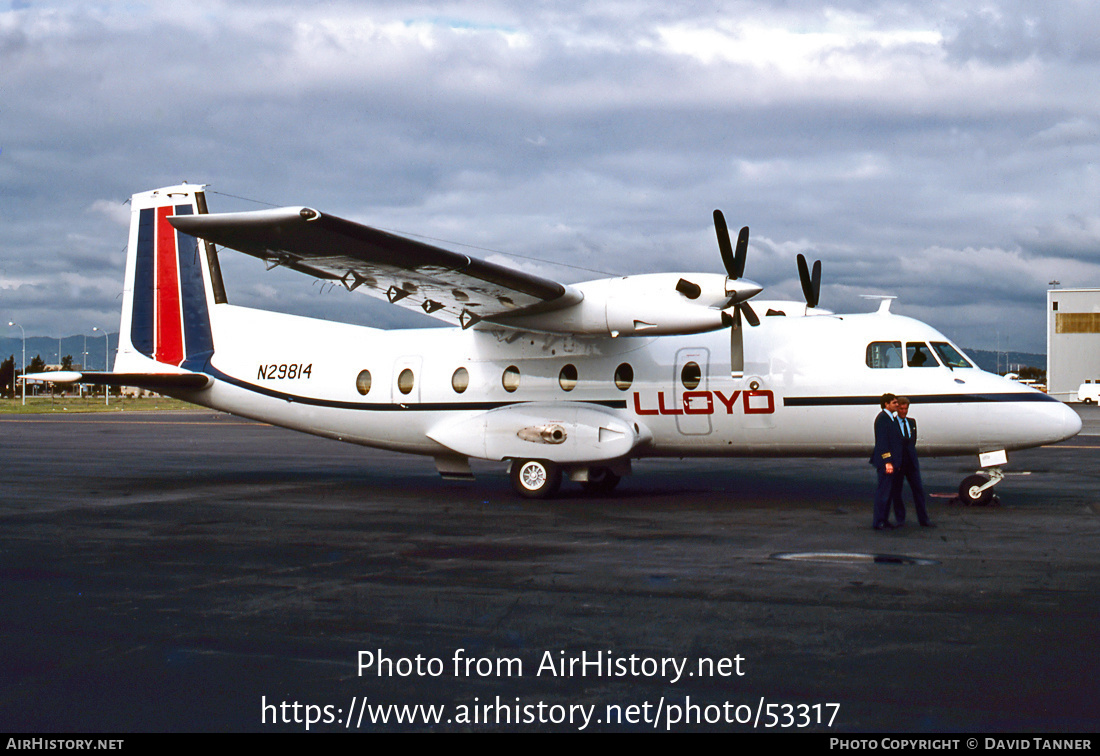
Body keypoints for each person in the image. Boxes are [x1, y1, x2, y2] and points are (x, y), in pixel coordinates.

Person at [893, 397, 935, 527]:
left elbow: (912, 442)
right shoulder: (892, 423)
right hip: (898, 463)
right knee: (897, 492)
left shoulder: (912, 422)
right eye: (901, 408)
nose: (904, 411)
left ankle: (924, 519)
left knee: (919, 491)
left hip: (911, 463)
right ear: (897, 408)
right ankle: (900, 519)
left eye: (906, 409)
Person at [869, 393, 904, 530]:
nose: (897, 405)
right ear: (886, 404)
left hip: (893, 463)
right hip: (886, 463)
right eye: (894, 403)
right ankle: (878, 522)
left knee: (888, 493)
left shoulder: (891, 419)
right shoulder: (883, 419)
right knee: (883, 493)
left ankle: (884, 519)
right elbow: (882, 442)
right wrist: (887, 461)